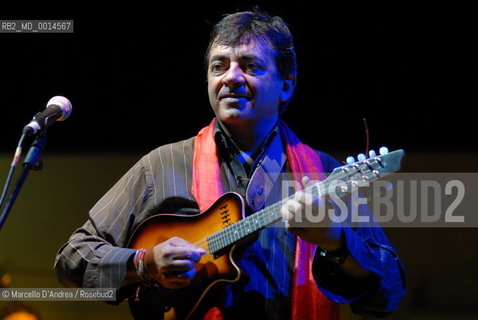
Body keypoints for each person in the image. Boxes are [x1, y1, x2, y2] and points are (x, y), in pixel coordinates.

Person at [54, 9, 406, 320]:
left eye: (250, 66)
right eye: (218, 66)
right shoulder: (162, 165)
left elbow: (387, 296)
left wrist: (337, 241)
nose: (230, 77)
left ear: (287, 85)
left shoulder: (325, 175)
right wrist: (145, 264)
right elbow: (72, 259)